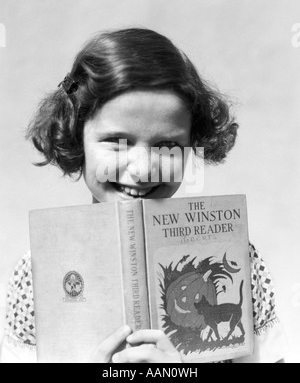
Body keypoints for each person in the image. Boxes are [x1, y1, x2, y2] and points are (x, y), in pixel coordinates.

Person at [0, 28, 285, 363]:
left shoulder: (240, 259)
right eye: (117, 141)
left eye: (166, 146)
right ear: (78, 137)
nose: (142, 169)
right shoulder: (37, 273)